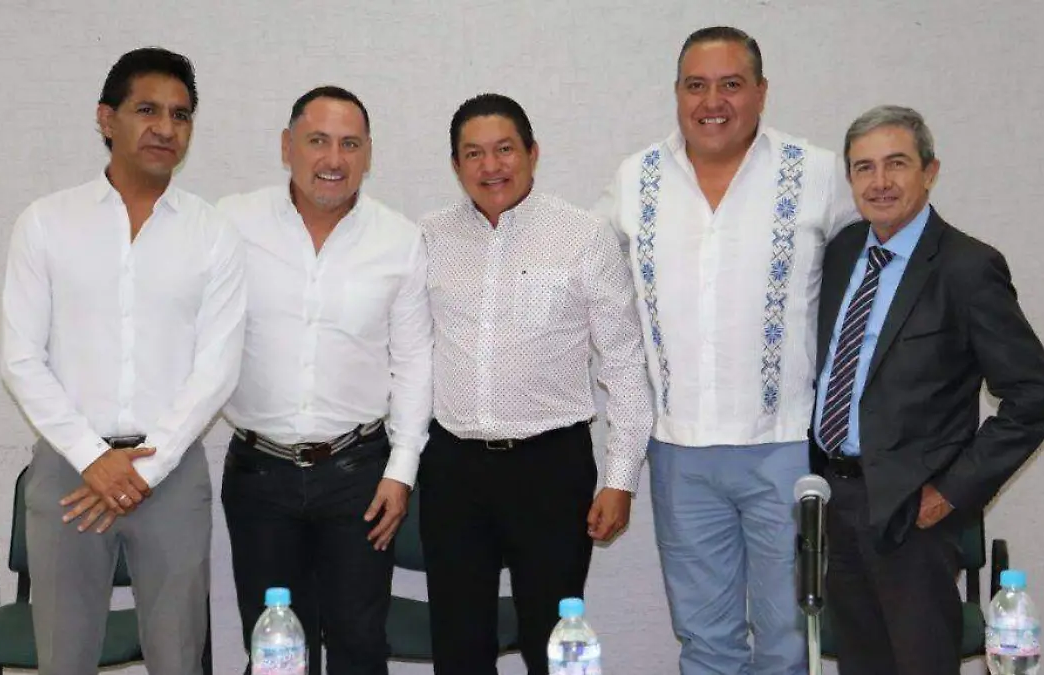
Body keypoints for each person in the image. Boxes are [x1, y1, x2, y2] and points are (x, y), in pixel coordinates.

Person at [593, 26, 859, 675]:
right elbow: (581, 274)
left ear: (761, 92)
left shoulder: (818, 173)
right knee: (705, 640)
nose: (712, 102)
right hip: (679, 452)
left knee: (790, 638)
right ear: (677, 93)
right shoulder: (636, 178)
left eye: (731, 84)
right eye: (696, 86)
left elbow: (873, 284)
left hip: (785, 448)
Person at [0, 47, 245, 675]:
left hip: (171, 473)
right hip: (69, 473)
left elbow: (217, 368)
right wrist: (93, 459)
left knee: (178, 657)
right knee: (64, 658)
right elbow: (20, 359)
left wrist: (144, 470)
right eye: (147, 110)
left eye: (181, 115)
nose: (166, 127)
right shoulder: (46, 223)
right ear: (106, 119)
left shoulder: (212, 233)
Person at [811, 104, 1044, 675]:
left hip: (913, 513)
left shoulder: (967, 267)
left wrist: (951, 491)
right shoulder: (842, 253)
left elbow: (1035, 393)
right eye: (864, 167)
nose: (880, 182)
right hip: (836, 501)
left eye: (896, 163)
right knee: (860, 664)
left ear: (930, 171)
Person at [418, 93, 652, 675]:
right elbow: (407, 353)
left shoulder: (582, 235)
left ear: (532, 153)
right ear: (456, 165)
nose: (490, 166)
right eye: (473, 153)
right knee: (458, 645)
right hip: (454, 469)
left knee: (552, 641)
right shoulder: (429, 237)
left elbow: (624, 364)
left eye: (504, 150)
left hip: (550, 468)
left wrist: (620, 478)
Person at [216, 86, 432, 675]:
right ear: (287, 147)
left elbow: (415, 362)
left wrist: (401, 471)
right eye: (317, 141)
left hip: (358, 476)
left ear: (368, 155)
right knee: (274, 649)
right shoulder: (231, 224)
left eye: (350, 144)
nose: (333, 159)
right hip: (259, 475)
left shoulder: (398, 240)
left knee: (360, 645)